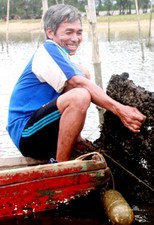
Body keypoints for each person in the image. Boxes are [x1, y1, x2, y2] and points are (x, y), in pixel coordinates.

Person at [6, 4, 146, 162]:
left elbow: (80, 79)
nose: (75, 38)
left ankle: (75, 140)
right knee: (80, 95)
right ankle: (61, 168)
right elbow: (79, 85)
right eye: (69, 32)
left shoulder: (62, 55)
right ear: (50, 32)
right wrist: (120, 110)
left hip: (44, 130)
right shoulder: (48, 50)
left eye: (79, 32)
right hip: (26, 133)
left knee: (83, 73)